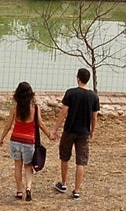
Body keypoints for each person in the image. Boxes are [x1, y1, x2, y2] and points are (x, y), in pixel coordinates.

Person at [51, 68, 100, 200]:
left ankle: (63, 183)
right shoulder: (94, 96)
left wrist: (55, 128)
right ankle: (77, 190)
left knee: (65, 157)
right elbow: (94, 117)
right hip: (84, 132)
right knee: (81, 161)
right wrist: (92, 130)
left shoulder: (71, 93)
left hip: (69, 130)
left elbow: (63, 112)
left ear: (78, 78)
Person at [0, 81, 51, 202]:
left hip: (15, 141)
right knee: (28, 166)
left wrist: (2, 138)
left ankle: (19, 191)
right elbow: (40, 124)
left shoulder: (15, 109)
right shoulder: (35, 108)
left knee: (18, 166)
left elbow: (8, 125)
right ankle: (28, 187)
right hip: (29, 142)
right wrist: (49, 135)